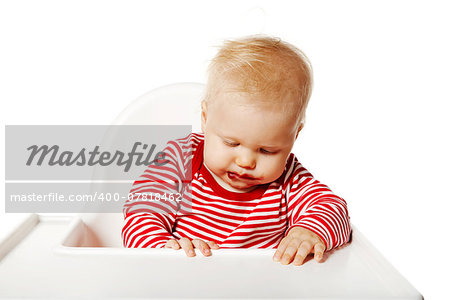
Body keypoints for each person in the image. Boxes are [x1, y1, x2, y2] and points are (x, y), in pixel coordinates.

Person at [122, 34, 352, 266]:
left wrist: (309, 231)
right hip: (181, 279)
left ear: (294, 136)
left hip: (258, 287)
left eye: (267, 150)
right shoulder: (181, 159)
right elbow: (141, 213)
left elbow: (333, 209)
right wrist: (163, 247)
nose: (245, 161)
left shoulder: (289, 180)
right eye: (231, 143)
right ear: (205, 119)